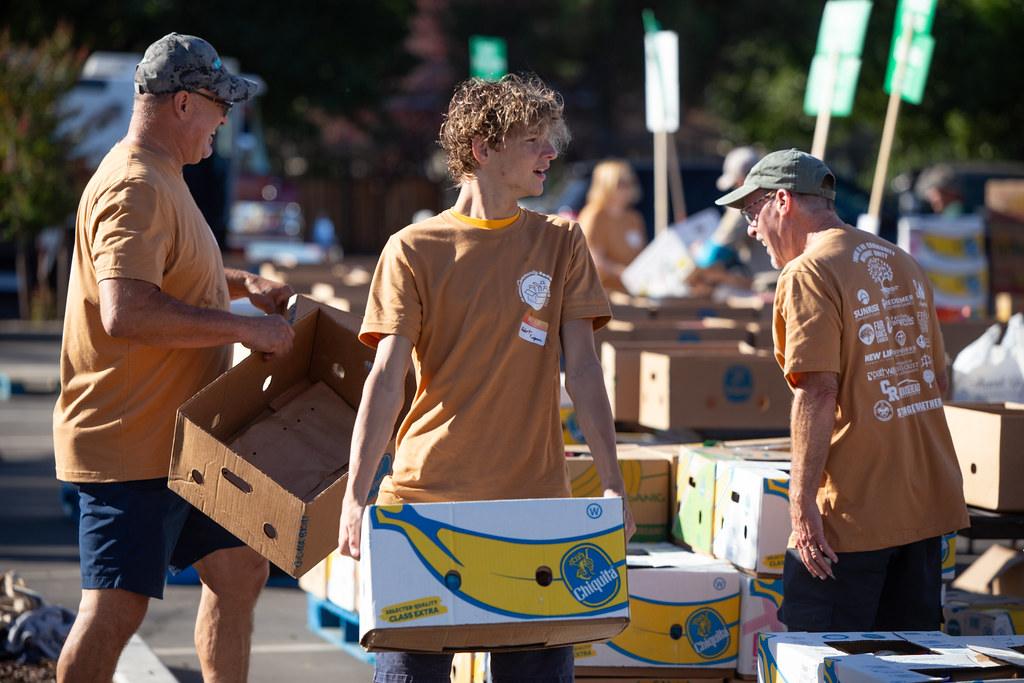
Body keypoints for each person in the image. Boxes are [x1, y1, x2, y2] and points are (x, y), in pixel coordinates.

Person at [338, 73, 636, 682]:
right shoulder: (413, 248)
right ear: (483, 148)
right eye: (534, 140)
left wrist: (613, 485)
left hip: (535, 511)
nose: (551, 153)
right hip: (424, 504)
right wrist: (354, 495)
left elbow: (582, 370)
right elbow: (386, 378)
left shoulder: (560, 241)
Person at [52, 33, 296, 682]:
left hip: (184, 445)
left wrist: (242, 285)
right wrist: (245, 329)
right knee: (114, 610)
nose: (226, 118)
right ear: (183, 103)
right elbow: (126, 309)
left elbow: (171, 271)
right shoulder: (134, 186)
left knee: (241, 568)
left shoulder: (165, 176)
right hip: (129, 443)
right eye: (220, 105)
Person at [716, 148, 968, 632]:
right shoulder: (901, 261)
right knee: (906, 663)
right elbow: (937, 380)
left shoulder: (807, 271)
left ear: (782, 201)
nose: (751, 228)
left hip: (852, 516)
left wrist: (802, 502)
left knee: (825, 659)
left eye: (752, 211)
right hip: (925, 505)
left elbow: (816, 391)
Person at [690, 145, 772, 291]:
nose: (733, 189)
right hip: (783, 279)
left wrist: (698, 250)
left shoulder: (746, 205)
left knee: (724, 292)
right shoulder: (775, 197)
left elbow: (710, 257)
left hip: (768, 285)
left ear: (742, 179)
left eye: (734, 183)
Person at [576, 157, 647, 293]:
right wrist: (625, 273)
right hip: (602, 295)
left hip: (631, 291)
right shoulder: (594, 215)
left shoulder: (633, 218)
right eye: (620, 183)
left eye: (630, 182)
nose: (627, 188)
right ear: (606, 185)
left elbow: (642, 257)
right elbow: (592, 260)